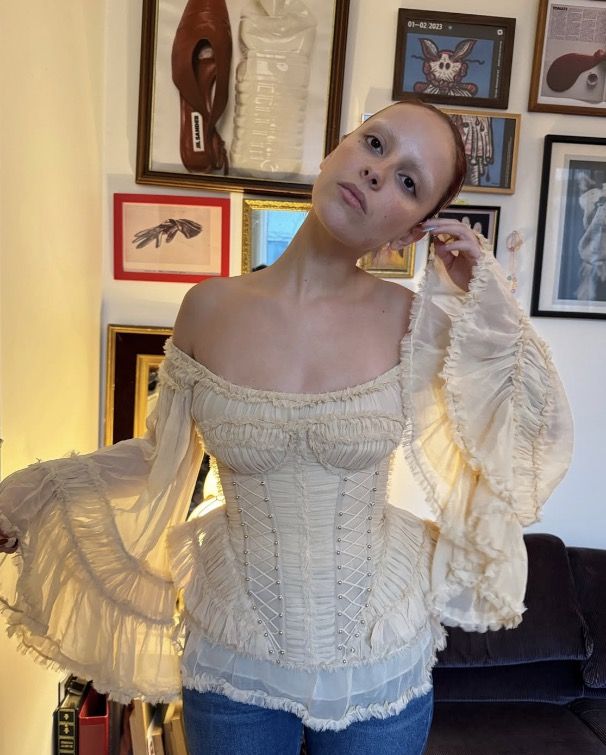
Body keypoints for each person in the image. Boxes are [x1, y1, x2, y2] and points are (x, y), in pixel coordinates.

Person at [0, 100, 573, 754]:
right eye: (375, 144)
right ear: (337, 149)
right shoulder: (207, 308)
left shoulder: (416, 324)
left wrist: (485, 302)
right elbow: (161, 456)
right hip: (233, 648)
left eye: (409, 182)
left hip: (380, 648)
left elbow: (526, 442)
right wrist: (24, 496)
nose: (379, 172)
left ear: (413, 230)